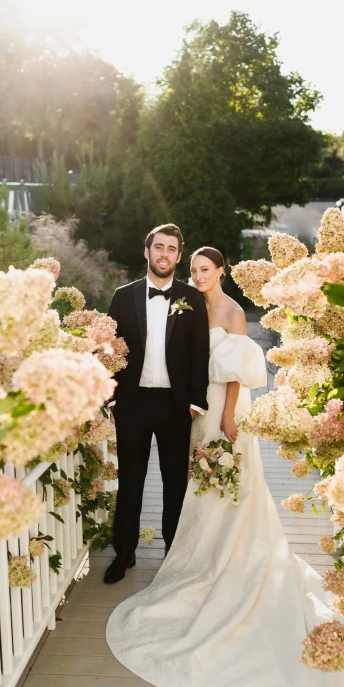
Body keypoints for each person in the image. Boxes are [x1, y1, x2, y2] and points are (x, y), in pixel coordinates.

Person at [105, 246, 344, 687]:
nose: (197, 276)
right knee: (196, 486)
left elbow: (236, 371)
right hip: (196, 407)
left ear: (220, 271)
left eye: (204, 269)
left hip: (224, 409)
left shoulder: (234, 310)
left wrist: (230, 417)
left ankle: (228, 557)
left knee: (224, 483)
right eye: (193, 269)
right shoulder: (190, 303)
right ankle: (187, 557)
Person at [104, 224, 210, 584]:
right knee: (130, 481)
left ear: (179, 257)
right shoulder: (123, 296)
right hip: (132, 403)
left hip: (175, 405)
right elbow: (108, 349)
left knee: (174, 484)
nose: (164, 254)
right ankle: (124, 553)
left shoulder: (192, 298)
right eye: (158, 247)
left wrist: (197, 403)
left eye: (171, 249)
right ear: (146, 251)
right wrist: (113, 398)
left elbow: (200, 353)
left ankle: (173, 556)